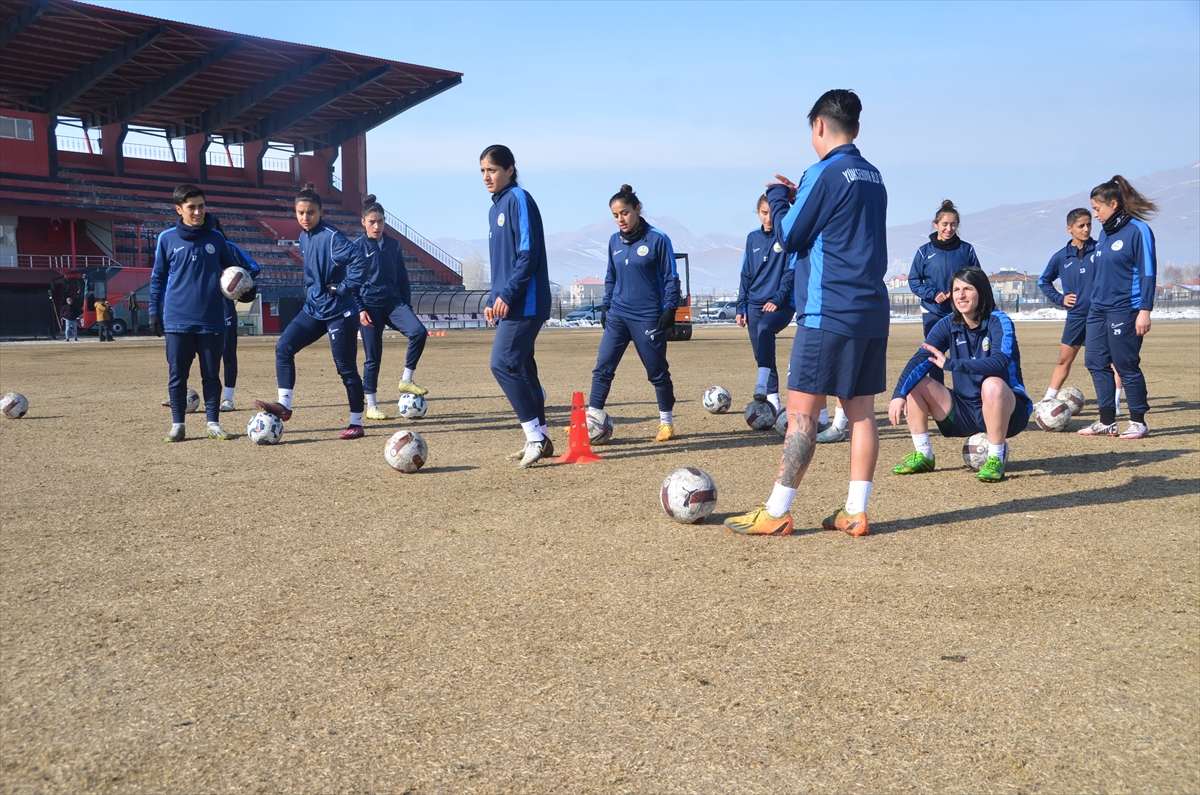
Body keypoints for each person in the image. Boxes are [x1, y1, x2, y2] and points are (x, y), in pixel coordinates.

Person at [724, 89, 889, 538]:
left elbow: (792, 235)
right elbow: (837, 221)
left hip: (828, 309)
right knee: (860, 413)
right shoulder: (873, 176)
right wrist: (802, 197)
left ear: (819, 125)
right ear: (856, 127)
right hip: (871, 310)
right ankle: (856, 510)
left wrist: (779, 198)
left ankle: (777, 511)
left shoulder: (823, 171)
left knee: (800, 412)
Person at [889, 266, 1033, 483]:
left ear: (982, 292)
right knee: (916, 382)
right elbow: (919, 360)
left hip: (1008, 410)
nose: (961, 295)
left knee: (992, 384)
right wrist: (898, 395)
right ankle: (924, 454)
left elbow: (1000, 362)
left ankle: (995, 458)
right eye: (956, 289)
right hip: (964, 410)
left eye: (968, 288)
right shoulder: (947, 324)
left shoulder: (999, 321)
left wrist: (952, 364)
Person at [253, 183, 368, 440]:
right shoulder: (304, 237)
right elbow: (312, 271)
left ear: (321, 211)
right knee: (284, 347)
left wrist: (344, 288)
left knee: (345, 367)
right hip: (314, 308)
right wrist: (310, 288)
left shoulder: (332, 237)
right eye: (301, 213)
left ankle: (356, 422)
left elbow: (360, 262)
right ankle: (284, 406)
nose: (305, 218)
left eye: (311, 213)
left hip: (339, 312)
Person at [480, 144, 553, 468]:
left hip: (527, 301)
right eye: (482, 171)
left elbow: (528, 254)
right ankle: (541, 438)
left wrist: (507, 295)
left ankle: (534, 437)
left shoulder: (518, 199)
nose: (486, 176)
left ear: (510, 169)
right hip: (510, 303)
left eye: (492, 169)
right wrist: (493, 300)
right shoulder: (494, 207)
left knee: (503, 364)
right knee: (523, 368)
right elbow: (503, 265)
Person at [589, 184, 680, 442]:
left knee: (657, 371)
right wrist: (606, 304)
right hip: (618, 314)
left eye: (625, 213)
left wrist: (670, 308)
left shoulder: (657, 239)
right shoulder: (613, 241)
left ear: (637, 209)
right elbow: (611, 276)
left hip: (648, 316)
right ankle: (592, 419)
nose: (621, 219)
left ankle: (666, 423)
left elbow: (671, 277)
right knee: (603, 367)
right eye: (616, 215)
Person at [148, 183, 238, 442]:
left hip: (211, 320)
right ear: (179, 209)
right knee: (178, 376)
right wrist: (154, 312)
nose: (198, 212)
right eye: (191, 207)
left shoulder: (216, 238)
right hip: (177, 320)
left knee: (211, 374)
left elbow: (232, 274)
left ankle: (213, 423)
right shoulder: (166, 239)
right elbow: (158, 279)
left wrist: (244, 290)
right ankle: (178, 424)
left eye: (201, 206)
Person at [1078, 175, 1157, 439]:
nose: (1095, 215)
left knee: (1125, 364)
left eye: (1097, 209)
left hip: (1126, 308)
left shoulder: (1138, 230)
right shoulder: (1104, 233)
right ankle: (1106, 421)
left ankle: (1138, 422)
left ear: (1113, 203)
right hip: (1098, 309)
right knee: (1095, 361)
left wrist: (1144, 309)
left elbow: (1148, 272)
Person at [1036, 208, 1124, 412]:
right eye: (1081, 226)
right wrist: (1060, 298)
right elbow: (1044, 281)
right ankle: (1048, 400)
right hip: (1076, 316)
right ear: (1069, 229)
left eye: (1089, 225)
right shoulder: (1061, 256)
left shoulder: (1101, 249)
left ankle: (1115, 403)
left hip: (1102, 315)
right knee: (1063, 359)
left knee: (1110, 361)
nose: (1086, 229)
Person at [354, 194, 429, 421]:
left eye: (381, 221)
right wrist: (360, 309)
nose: (377, 226)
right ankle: (372, 405)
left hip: (394, 304)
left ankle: (406, 379)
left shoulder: (394, 245)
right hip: (370, 307)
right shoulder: (356, 248)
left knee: (419, 332)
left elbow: (402, 278)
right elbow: (352, 283)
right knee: (373, 357)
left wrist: (404, 304)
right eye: (372, 221)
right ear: (363, 222)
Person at [907, 200, 981, 384]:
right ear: (936, 225)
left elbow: (977, 277)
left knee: (963, 353)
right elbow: (914, 280)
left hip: (961, 312)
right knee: (934, 353)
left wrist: (962, 294)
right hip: (933, 311)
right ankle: (939, 396)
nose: (949, 228)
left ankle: (966, 395)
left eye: (953, 224)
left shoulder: (966, 249)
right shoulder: (924, 251)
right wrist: (933, 294)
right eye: (945, 224)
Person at [735, 194, 794, 413]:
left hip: (781, 303)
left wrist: (778, 298)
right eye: (764, 213)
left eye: (772, 213)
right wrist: (741, 306)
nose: (768, 218)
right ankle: (774, 404)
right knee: (763, 354)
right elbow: (746, 274)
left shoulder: (789, 237)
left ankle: (762, 386)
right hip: (753, 304)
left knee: (766, 328)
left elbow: (791, 271)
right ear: (758, 213)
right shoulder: (752, 238)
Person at [209, 215, 259, 412]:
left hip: (224, 308)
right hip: (199, 308)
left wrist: (236, 283)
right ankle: (185, 395)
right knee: (200, 355)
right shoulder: (194, 247)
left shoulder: (228, 247)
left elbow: (253, 268)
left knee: (228, 353)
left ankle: (227, 399)